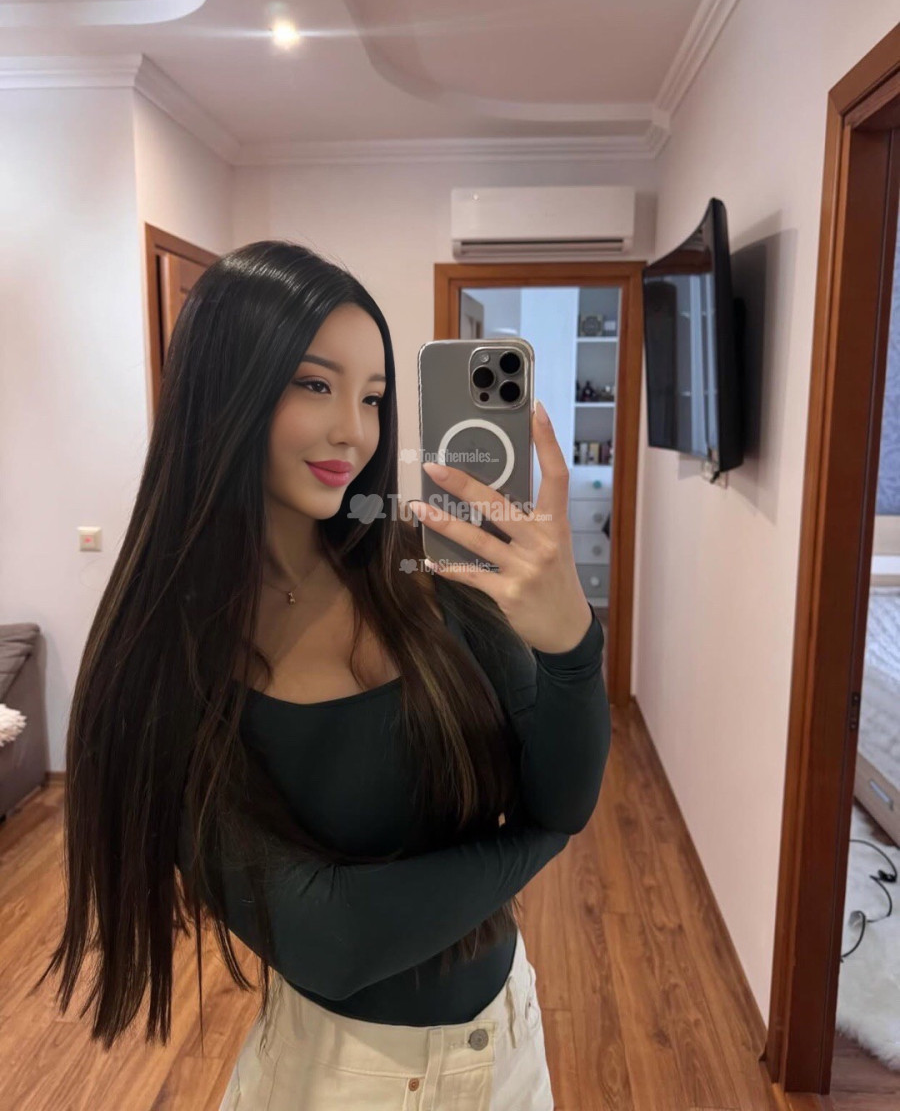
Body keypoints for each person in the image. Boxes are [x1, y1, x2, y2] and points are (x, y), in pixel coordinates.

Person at [34, 241, 611, 1109]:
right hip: (341, 1079)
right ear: (224, 389)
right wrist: (544, 837)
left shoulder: (425, 575)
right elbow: (332, 940)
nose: (355, 430)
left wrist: (571, 644)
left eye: (373, 397)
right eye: (315, 384)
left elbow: (563, 787)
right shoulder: (162, 665)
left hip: (510, 1043)